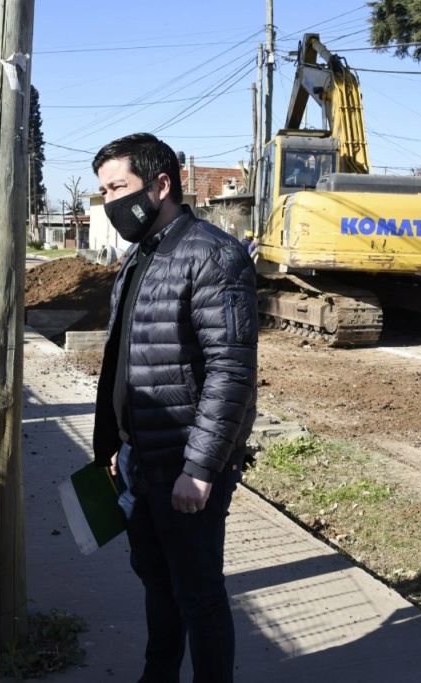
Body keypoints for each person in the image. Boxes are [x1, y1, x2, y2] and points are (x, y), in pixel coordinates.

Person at [91, 133, 258, 682]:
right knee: (156, 583)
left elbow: (230, 372)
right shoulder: (139, 256)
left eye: (118, 187)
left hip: (185, 467)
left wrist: (201, 468)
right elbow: (124, 358)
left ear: (162, 185)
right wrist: (113, 445)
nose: (110, 201)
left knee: (199, 596)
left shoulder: (213, 255)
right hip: (140, 459)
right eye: (103, 190)